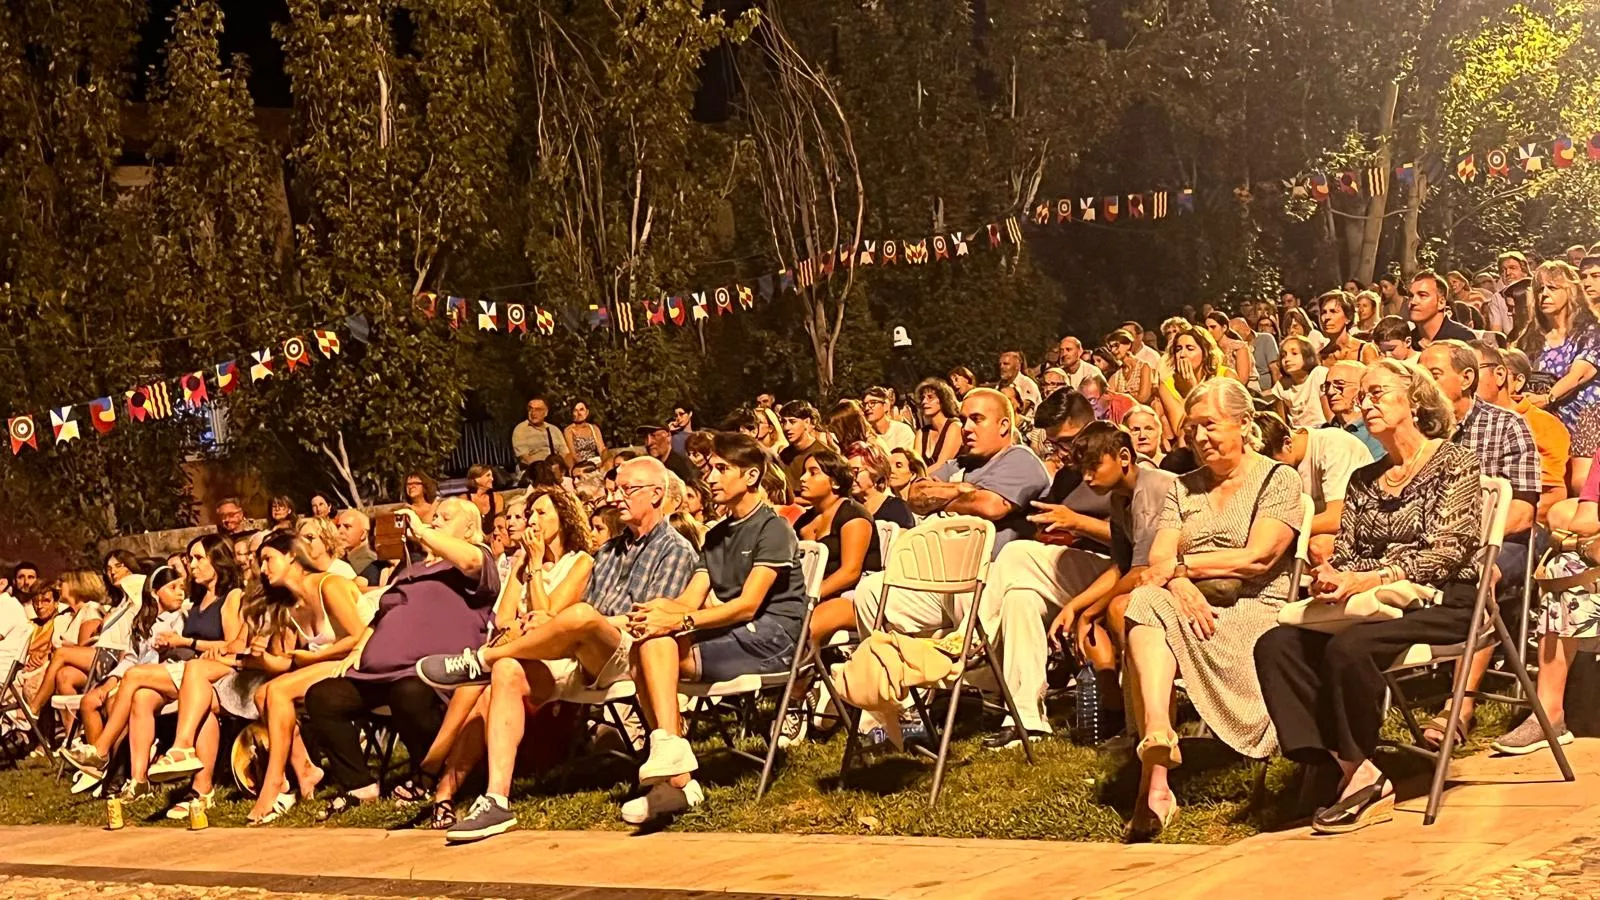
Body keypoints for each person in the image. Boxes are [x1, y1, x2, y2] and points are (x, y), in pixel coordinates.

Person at [414, 457, 699, 840]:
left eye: (627, 490)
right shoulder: (610, 551)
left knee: (578, 615)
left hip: (633, 654)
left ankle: (481, 659)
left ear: (657, 494)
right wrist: (552, 623)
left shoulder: (674, 549)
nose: (616, 497)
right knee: (509, 671)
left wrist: (572, 621)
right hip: (584, 655)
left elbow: (647, 623)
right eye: (616, 489)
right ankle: (496, 800)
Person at [1256, 358, 1482, 834]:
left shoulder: (1454, 462)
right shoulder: (1363, 479)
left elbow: (1448, 552)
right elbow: (1352, 554)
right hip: (1374, 604)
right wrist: (1334, 577)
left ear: (1414, 400)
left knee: (1348, 648)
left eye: (1377, 393)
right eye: (1364, 396)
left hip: (1443, 600)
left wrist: (1373, 578)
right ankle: (1347, 766)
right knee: (1275, 645)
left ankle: (1357, 774)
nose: (1366, 402)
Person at [1120, 377, 1301, 839]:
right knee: (1144, 599)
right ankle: (1158, 741)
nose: (1200, 439)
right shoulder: (1183, 489)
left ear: (1243, 424)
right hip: (1189, 603)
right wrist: (1179, 581)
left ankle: (1153, 787)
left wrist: (1181, 569)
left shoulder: (1278, 479)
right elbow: (1156, 562)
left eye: (1210, 426)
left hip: (1256, 606)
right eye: (1191, 430)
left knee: (1147, 605)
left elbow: (1257, 558)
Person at [619, 434, 808, 823]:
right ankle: (674, 768)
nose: (712, 476)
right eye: (711, 468)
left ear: (751, 475)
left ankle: (674, 772)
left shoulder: (773, 528)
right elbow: (690, 599)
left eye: (723, 469)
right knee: (647, 641)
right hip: (737, 630)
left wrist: (678, 620)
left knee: (659, 640)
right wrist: (653, 611)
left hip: (773, 637)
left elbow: (748, 605)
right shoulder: (719, 533)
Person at [851, 389, 1051, 746]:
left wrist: (949, 491)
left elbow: (992, 507)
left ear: (1005, 425)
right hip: (935, 579)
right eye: (963, 419)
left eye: (978, 419)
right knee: (869, 594)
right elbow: (916, 494)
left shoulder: (1020, 459)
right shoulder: (957, 464)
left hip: (990, 577)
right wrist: (961, 490)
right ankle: (894, 709)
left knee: (969, 589)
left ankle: (964, 674)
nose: (967, 428)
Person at [977, 420, 1171, 749]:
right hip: (1120, 576)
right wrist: (1078, 607)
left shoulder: (1151, 488)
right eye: (1083, 468)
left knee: (1015, 554)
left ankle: (974, 644)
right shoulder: (1119, 497)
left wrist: (1086, 610)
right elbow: (1120, 566)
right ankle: (1026, 718)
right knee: (1019, 598)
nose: (1086, 477)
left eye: (1094, 466)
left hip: (1174, 579)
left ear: (1124, 457)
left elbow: (1142, 569)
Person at [302, 497, 500, 818]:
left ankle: (431, 773)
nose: (434, 521)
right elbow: (381, 615)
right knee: (323, 697)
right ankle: (359, 786)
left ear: (469, 529)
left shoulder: (477, 561)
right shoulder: (414, 570)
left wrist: (422, 530)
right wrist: (357, 650)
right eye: (433, 516)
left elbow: (470, 561)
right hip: (376, 674)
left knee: (408, 693)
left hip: (428, 674)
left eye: (444, 518)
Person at [419, 486, 594, 829]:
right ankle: (451, 792)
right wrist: (523, 565)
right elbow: (502, 619)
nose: (533, 520)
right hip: (512, 657)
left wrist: (538, 567)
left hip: (555, 661)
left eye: (542, 513)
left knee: (486, 676)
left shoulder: (580, 562)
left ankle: (434, 773)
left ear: (564, 517)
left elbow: (548, 617)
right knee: (486, 689)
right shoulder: (522, 561)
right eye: (531, 514)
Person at [1415, 339, 1541, 745]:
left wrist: (1468, 539)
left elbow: (1523, 512)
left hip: (1503, 543)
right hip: (1432, 542)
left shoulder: (1506, 425)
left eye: (1432, 375)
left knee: (1480, 574)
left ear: (1467, 378)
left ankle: (1460, 705)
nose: (1421, 384)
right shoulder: (1417, 432)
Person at [64, 536, 245, 807]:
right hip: (189, 669)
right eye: (190, 559)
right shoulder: (197, 602)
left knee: (135, 675)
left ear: (217, 561)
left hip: (217, 671)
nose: (191, 566)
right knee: (141, 697)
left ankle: (101, 751)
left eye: (198, 558)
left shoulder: (231, 597)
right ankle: (139, 780)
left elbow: (232, 647)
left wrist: (186, 642)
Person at [240, 531, 372, 824]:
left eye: (268, 559)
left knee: (276, 693)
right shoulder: (289, 607)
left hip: (360, 662)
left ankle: (273, 783)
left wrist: (313, 658)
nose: (263, 569)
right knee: (262, 694)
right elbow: (285, 663)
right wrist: (260, 658)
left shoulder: (328, 585)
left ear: (291, 556)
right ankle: (305, 770)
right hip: (328, 669)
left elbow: (360, 636)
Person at [1520, 261, 1600, 482]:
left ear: (1571, 291)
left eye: (1552, 288)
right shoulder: (1529, 337)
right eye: (1539, 290)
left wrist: (1547, 398)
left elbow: (1579, 374)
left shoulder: (1591, 332)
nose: (1544, 295)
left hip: (1582, 422)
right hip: (1542, 425)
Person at [1257, 411, 1373, 563]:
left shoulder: (1333, 446)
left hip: (1365, 529)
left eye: (1273, 464)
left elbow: (1336, 518)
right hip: (1317, 529)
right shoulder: (1286, 462)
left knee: (1317, 547)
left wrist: (1278, 531)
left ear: (1287, 443)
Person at [1473, 339, 1569, 522]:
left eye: (1474, 370)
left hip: (1510, 529)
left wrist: (1492, 522)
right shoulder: (1451, 423)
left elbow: (1551, 495)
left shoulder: (1544, 424)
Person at [1158, 323, 1232, 441]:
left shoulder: (1226, 376)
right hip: (1191, 441)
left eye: (1190, 349)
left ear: (1205, 352)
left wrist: (1194, 389)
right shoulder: (1167, 385)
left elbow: (1228, 416)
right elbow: (1180, 431)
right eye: (1178, 349)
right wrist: (1191, 392)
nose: (1182, 355)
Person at [844, 441, 916, 529]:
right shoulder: (847, 509)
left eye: (855, 471)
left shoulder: (896, 508)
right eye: (847, 472)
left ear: (875, 472)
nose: (851, 476)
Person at [1322, 360, 1385, 458]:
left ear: (1361, 389)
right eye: (1327, 386)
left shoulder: (1377, 433)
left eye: (1339, 385)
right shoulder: (1322, 433)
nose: (1330, 392)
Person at [1271, 336, 1330, 428]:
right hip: (1298, 433)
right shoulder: (1281, 385)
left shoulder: (1318, 374)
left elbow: (1329, 415)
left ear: (1307, 355)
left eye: (1294, 353)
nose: (1287, 359)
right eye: (1283, 355)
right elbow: (1282, 422)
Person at [1408, 270, 1477, 349]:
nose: (1413, 302)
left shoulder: (1462, 338)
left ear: (1441, 302)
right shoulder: (1408, 340)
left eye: (1422, 295)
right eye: (1411, 296)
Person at [512, 398, 572, 474]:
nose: (533, 413)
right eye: (530, 409)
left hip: (556, 471)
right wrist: (545, 470)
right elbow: (524, 458)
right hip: (533, 471)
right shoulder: (521, 430)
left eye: (538, 410)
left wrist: (571, 470)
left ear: (546, 412)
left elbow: (566, 454)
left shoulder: (554, 429)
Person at [1317, 291, 1379, 364]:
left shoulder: (1365, 350)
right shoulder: (1319, 352)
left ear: (1348, 317)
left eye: (1333, 311)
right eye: (1323, 312)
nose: (1327, 317)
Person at [915, 378, 962, 467]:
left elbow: (942, 464)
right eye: (922, 398)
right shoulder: (921, 433)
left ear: (943, 400)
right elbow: (917, 466)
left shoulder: (954, 426)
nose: (924, 402)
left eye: (930, 397)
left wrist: (917, 478)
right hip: (923, 480)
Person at [637, 422, 700, 487]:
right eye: (645, 437)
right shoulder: (655, 468)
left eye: (654, 436)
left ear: (668, 436)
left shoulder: (679, 469)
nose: (649, 442)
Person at [296, 515, 359, 579]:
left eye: (310, 537)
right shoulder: (300, 571)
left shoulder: (342, 572)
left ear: (327, 540)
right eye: (299, 539)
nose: (303, 542)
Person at [779, 401, 824, 485]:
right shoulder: (784, 455)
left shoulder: (822, 454)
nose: (786, 427)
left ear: (807, 422)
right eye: (784, 422)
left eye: (792, 421)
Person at [1106, 329, 1156, 405]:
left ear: (1128, 345)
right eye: (1110, 347)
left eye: (1116, 345)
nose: (1113, 350)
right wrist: (1132, 395)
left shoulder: (1144, 367)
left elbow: (1143, 398)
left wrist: (1121, 396)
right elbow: (1109, 399)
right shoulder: (1116, 376)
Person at [1204, 312, 1254, 385]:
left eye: (1213, 327)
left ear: (1224, 328)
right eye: (1207, 328)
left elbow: (1243, 380)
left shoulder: (1239, 347)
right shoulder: (1208, 349)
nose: (1209, 331)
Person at [861, 386, 914, 454]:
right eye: (864, 404)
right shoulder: (865, 436)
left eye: (872, 403)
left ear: (885, 406)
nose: (867, 408)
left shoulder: (902, 431)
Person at [335, 509, 382, 586]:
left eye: (347, 526)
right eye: (338, 526)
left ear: (363, 534)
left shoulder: (370, 563)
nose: (340, 531)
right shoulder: (342, 559)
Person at [465, 464, 504, 536]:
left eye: (492, 476)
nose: (492, 479)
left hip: (493, 537)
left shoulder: (497, 498)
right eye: (488, 475)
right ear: (477, 479)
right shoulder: (464, 499)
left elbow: (499, 522)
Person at [564, 401, 606, 467]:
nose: (579, 413)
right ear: (572, 413)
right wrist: (586, 465)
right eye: (575, 410)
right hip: (580, 464)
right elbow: (573, 454)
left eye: (581, 410)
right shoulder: (569, 431)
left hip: (596, 461)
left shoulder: (594, 428)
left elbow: (601, 449)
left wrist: (604, 461)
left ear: (587, 412)